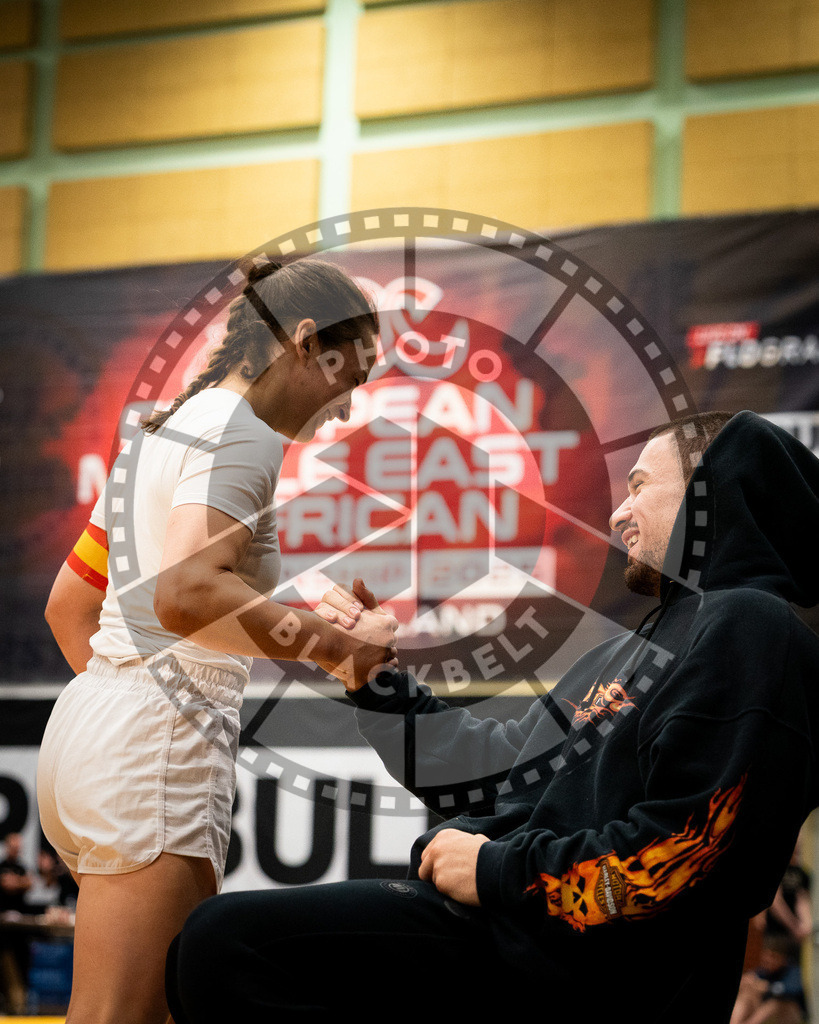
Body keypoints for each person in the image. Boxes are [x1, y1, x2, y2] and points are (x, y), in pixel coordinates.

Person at [166, 409, 819, 1023]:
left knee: (228, 945)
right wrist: (370, 678)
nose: (618, 512)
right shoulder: (630, 651)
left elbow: (689, 853)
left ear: (708, 493)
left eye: (640, 485)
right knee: (212, 944)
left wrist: (496, 872)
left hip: (576, 968)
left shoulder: (749, 624)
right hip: (511, 938)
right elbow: (495, 772)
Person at [37, 257, 399, 1024]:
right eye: (351, 379)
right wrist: (338, 649)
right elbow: (188, 594)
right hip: (151, 744)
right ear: (307, 342)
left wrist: (125, 708)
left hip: (92, 732)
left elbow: (70, 606)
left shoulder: (163, 431)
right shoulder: (244, 433)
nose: (344, 411)